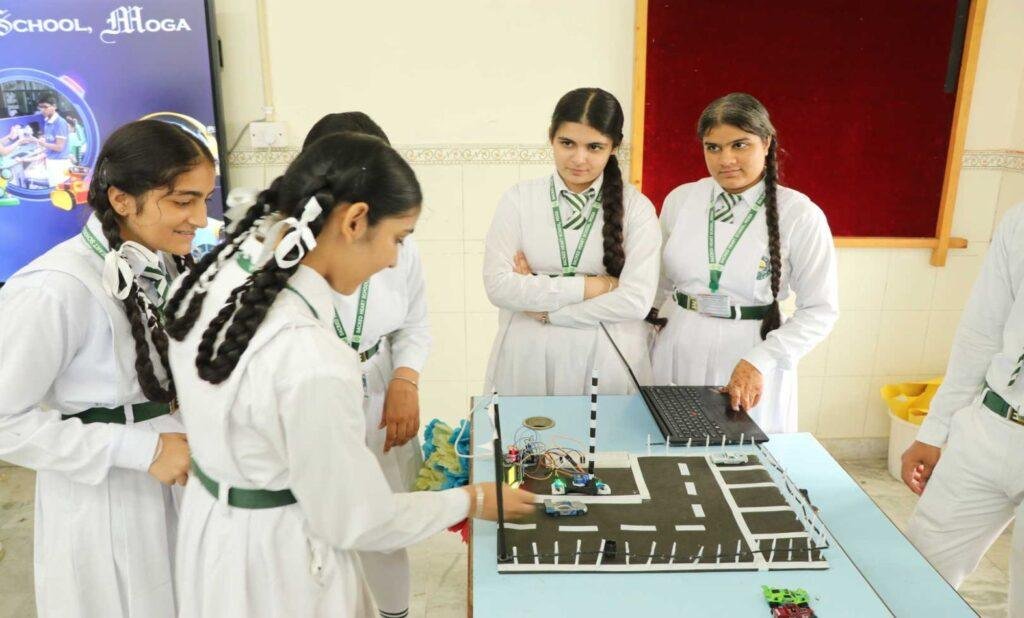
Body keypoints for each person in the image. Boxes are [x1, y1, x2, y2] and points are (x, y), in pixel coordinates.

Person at [164, 132, 535, 617]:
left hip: (212, 533)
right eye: (397, 239)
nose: (393, 260)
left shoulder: (211, 281)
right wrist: (471, 499)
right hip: (280, 564)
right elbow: (359, 519)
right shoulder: (312, 359)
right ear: (355, 220)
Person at [0, 119, 212, 617]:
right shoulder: (54, 288)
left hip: (178, 480)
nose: (201, 219)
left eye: (205, 199)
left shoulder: (163, 264)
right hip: (105, 500)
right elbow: (5, 422)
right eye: (183, 201)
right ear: (122, 200)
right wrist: (142, 449)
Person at [225, 111, 431, 618]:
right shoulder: (273, 257)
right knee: (319, 521)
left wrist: (405, 379)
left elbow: (415, 323)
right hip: (311, 393)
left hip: (378, 386)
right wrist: (471, 500)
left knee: (381, 522)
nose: (392, 256)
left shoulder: (397, 244)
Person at [651, 93, 838, 433]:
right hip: (677, 341)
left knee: (742, 455)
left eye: (740, 145)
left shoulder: (799, 214)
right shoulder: (681, 200)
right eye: (713, 147)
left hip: (751, 351)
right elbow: (658, 285)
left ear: (766, 142)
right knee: (669, 446)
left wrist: (760, 361)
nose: (726, 160)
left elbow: (820, 310)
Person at [483, 87, 661, 395]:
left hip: (607, 355)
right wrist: (594, 286)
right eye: (567, 143)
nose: (579, 159)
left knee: (604, 428)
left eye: (594, 147)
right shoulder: (519, 200)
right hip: (527, 352)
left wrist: (548, 312)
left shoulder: (636, 208)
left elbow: (636, 301)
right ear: (551, 137)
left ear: (614, 147)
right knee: (528, 428)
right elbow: (498, 287)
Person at [901, 203, 1024, 614]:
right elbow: (981, 333)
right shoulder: (1019, 220)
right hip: (991, 423)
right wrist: (934, 431)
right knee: (917, 572)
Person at [34, 94, 72, 186]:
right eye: (40, 107)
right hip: (51, 161)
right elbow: (51, 139)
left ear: (54, 106)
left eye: (45, 107)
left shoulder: (60, 123)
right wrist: (43, 139)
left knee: (59, 190)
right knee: (53, 188)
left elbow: (59, 147)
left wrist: (43, 144)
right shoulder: (47, 120)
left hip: (59, 163)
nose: (42, 110)